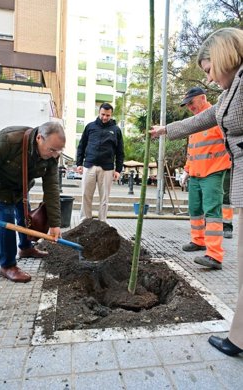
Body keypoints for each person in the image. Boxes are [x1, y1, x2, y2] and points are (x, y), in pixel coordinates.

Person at [150, 27, 243, 356]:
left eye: (209, 70)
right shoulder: (232, 91)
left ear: (224, 57)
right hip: (211, 177)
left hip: (219, 176)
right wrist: (165, 130)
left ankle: (238, 338)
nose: (210, 78)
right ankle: (239, 338)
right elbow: (203, 120)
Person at [0, 122, 66, 283]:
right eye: (52, 150)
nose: (56, 155)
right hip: (0, 187)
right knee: (6, 221)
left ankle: (26, 248)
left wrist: (55, 224)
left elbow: (52, 188)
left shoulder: (52, 155)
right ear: (39, 138)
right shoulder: (8, 140)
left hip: (22, 189)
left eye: (59, 151)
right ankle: (7, 266)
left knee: (25, 217)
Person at [178, 86, 232, 270]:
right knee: (194, 210)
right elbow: (192, 151)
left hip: (213, 173)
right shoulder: (195, 123)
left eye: (191, 103)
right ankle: (198, 241)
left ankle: (214, 255)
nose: (189, 107)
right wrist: (186, 170)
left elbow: (230, 141)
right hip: (195, 174)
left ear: (202, 98)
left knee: (212, 213)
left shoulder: (215, 116)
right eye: (187, 105)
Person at [76, 102, 124, 222]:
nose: (105, 117)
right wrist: (79, 163)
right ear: (99, 113)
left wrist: (118, 170)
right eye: (103, 114)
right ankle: (85, 221)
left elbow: (120, 152)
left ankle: (102, 222)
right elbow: (81, 145)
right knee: (86, 195)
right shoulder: (90, 127)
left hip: (107, 168)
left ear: (111, 115)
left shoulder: (116, 130)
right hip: (89, 166)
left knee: (104, 198)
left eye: (108, 115)